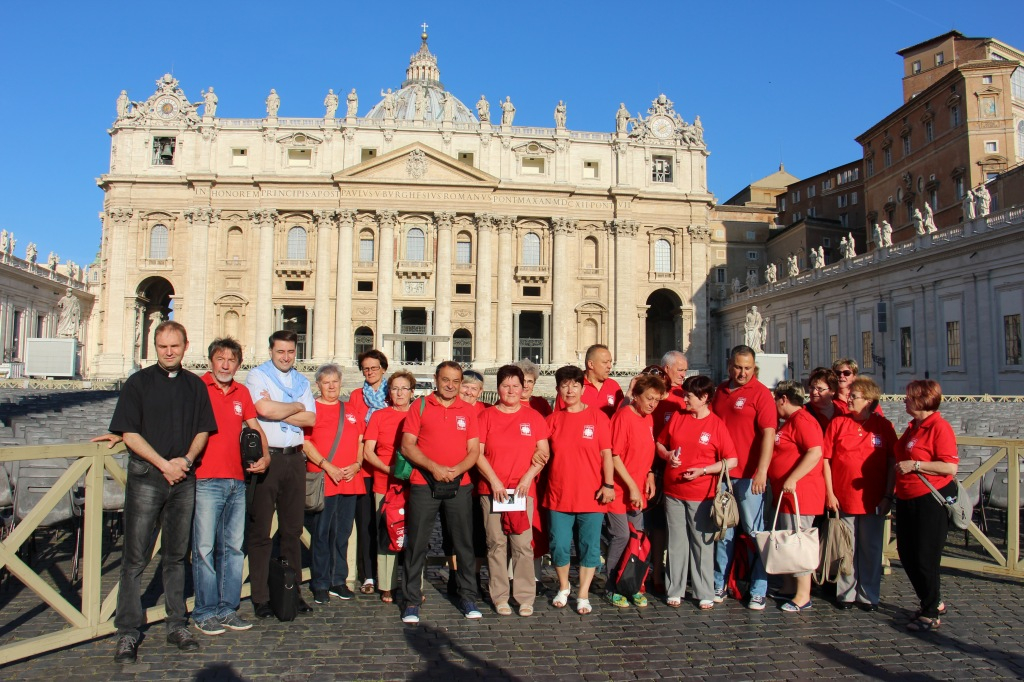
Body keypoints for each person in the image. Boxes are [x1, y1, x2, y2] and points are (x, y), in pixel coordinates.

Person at [109, 321, 217, 663]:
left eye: (174, 346)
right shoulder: (137, 383)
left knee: (176, 556)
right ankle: (127, 631)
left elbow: (203, 430)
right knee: (134, 558)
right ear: (155, 347)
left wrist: (185, 460)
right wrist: (163, 464)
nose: (169, 352)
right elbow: (129, 432)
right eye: (162, 347)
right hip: (147, 477)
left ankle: (176, 624)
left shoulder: (195, 385)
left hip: (183, 478)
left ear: (185, 346)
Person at [192, 338, 270, 636]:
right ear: (211, 360)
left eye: (231, 360)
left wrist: (265, 456)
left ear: (238, 364)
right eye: (220, 359)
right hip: (205, 478)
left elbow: (255, 427)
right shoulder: (196, 388)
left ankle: (227, 609)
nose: (225, 365)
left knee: (234, 549)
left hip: (237, 479)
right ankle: (204, 611)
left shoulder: (242, 392)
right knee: (204, 549)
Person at [399, 361, 482, 624]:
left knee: (463, 542)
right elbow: (407, 445)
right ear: (436, 379)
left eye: (456, 381)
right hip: (424, 481)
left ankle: (467, 595)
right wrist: (433, 467)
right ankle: (412, 599)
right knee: (417, 543)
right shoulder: (420, 406)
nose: (450, 385)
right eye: (446, 380)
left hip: (459, 482)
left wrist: (457, 470)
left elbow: (474, 450)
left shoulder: (467, 410)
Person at [245, 330, 316, 619]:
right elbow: (262, 409)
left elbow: (310, 418)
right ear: (271, 352)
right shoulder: (257, 376)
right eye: (280, 352)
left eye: (290, 352)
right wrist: (295, 406)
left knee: (292, 529)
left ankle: (292, 591)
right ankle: (260, 596)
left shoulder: (302, 381)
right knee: (261, 530)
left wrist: (279, 409)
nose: (285, 357)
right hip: (268, 457)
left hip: (295, 458)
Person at [657, 375, 738, 609]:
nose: (684, 400)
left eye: (689, 396)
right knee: (676, 542)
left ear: (704, 397)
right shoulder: (678, 417)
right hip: (673, 491)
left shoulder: (716, 425)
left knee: (702, 542)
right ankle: (675, 589)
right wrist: (668, 455)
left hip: (702, 494)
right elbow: (660, 443)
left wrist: (704, 470)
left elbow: (731, 460)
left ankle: (704, 591)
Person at [475, 365, 550, 616]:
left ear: (523, 388)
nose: (511, 391)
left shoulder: (534, 417)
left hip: (521, 491)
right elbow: (477, 453)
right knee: (495, 543)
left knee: (522, 544)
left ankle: (525, 596)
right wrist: (494, 481)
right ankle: (500, 596)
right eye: (505, 386)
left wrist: (527, 478)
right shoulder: (485, 416)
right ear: (498, 388)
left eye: (515, 386)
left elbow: (543, 452)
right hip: (492, 490)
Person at [543, 365, 615, 616]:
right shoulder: (552, 420)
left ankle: (583, 593)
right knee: (559, 545)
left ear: (583, 389)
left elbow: (607, 454)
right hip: (559, 493)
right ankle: (564, 586)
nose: (570, 390)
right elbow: (541, 453)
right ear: (558, 389)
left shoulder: (598, 418)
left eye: (575, 385)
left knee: (589, 546)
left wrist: (608, 484)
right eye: (565, 386)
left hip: (591, 494)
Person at [711, 345, 776, 610]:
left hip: (749, 476)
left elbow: (769, 434)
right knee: (723, 531)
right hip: (724, 474)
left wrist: (762, 470)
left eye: (748, 368)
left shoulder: (761, 393)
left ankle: (759, 587)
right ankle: (719, 582)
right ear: (730, 366)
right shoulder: (720, 391)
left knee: (754, 532)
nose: (743, 373)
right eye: (738, 367)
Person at [823, 377, 896, 611]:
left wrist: (888, 495)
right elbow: (826, 459)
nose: (849, 399)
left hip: (874, 498)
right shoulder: (838, 423)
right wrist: (830, 492)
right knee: (846, 548)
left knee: (871, 548)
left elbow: (892, 461)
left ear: (868, 400)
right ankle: (846, 593)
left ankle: (868, 594)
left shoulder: (884, 426)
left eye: (854, 396)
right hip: (843, 496)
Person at [893, 379, 959, 631]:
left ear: (922, 400)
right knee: (906, 553)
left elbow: (950, 467)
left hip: (930, 498)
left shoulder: (939, 427)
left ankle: (931, 612)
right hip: (907, 496)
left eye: (909, 397)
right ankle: (932, 600)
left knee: (925, 556)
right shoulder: (914, 426)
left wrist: (916, 465)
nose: (904, 400)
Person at [303, 364, 365, 605]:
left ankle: (338, 580)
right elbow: (305, 443)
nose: (331, 386)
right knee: (321, 533)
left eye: (335, 382)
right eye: (326, 382)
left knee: (342, 533)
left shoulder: (350, 409)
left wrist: (357, 464)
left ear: (341, 383)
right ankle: (320, 582)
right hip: (323, 479)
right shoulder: (311, 410)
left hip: (349, 479)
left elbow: (360, 440)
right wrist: (327, 466)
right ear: (318, 384)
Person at [605, 372, 666, 608]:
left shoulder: (648, 419)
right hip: (622, 490)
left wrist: (649, 474)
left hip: (638, 489)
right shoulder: (624, 416)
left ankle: (632, 584)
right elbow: (615, 455)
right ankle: (611, 586)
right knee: (621, 536)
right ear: (637, 396)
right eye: (649, 398)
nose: (652, 404)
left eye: (657, 400)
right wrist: (631, 486)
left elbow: (645, 451)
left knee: (637, 539)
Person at [768, 381, 824, 612]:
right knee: (789, 539)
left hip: (801, 493)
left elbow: (815, 452)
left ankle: (803, 594)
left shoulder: (802, 420)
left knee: (799, 542)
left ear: (783, 399)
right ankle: (790, 585)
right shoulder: (791, 421)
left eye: (775, 399)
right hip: (787, 494)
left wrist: (793, 478)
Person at [362, 370, 417, 604]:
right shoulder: (379, 416)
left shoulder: (418, 416)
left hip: (414, 484)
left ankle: (414, 585)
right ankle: (387, 584)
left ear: (412, 392)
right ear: (389, 392)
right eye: (395, 388)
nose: (400, 393)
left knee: (416, 535)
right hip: (384, 483)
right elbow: (368, 452)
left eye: (404, 388)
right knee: (387, 532)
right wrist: (390, 470)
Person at [346, 349, 390, 595]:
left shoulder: (394, 393)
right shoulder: (356, 396)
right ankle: (368, 574)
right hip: (363, 469)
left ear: (383, 368)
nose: (370, 372)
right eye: (366, 368)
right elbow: (354, 432)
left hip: (387, 469)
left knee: (389, 522)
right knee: (365, 524)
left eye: (374, 367)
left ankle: (389, 573)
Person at [554, 344, 623, 418]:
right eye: (605, 362)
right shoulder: (572, 387)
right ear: (591, 364)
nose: (609, 366)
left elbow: (622, 415)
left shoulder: (613, 386)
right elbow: (559, 418)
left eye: (610, 362)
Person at [805, 367, 839, 432]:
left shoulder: (842, 411)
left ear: (832, 391)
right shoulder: (803, 412)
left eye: (820, 389)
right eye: (812, 388)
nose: (814, 392)